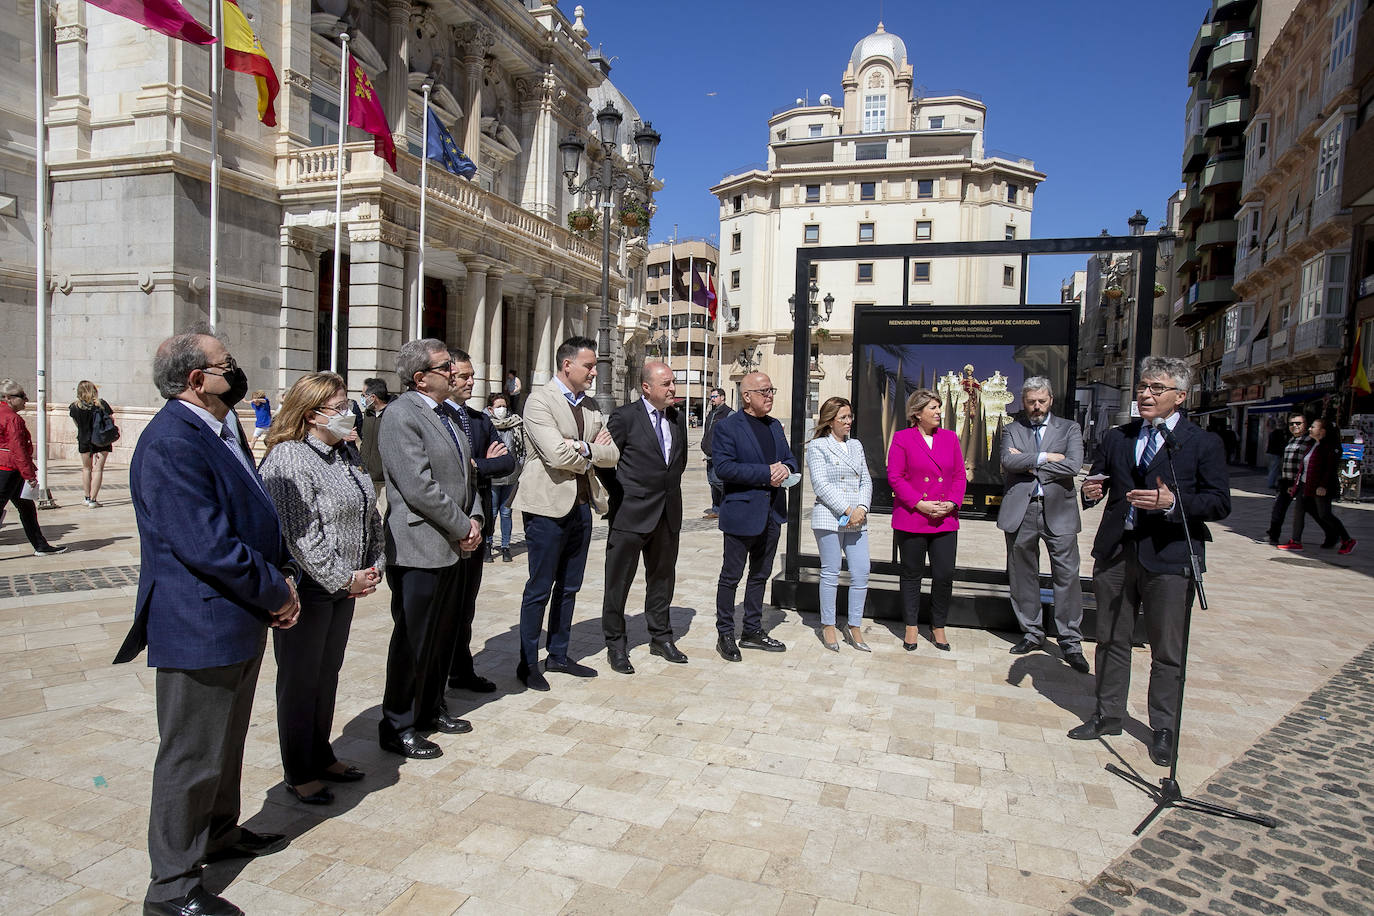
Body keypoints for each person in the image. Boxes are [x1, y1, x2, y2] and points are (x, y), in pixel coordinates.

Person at [113, 328, 300, 916]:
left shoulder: (221, 426)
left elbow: (250, 513)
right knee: (191, 756)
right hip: (201, 622)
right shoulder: (172, 441)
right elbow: (207, 544)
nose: (237, 372)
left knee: (227, 741)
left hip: (237, 617)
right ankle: (170, 888)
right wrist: (278, 590)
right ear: (196, 380)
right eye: (227, 365)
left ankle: (218, 834)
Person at [1068, 356, 1231, 768]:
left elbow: (1219, 502)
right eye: (1143, 386)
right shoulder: (1118, 437)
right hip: (1118, 553)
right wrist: (1091, 491)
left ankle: (1163, 729)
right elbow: (1101, 479)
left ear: (1180, 395)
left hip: (1170, 556)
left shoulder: (1200, 442)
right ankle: (1108, 714)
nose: (1145, 394)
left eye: (1157, 388)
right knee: (1110, 639)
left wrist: (1174, 502)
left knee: (1166, 649)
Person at [259, 372, 384, 806]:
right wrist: (341, 577)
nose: (349, 412)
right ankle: (299, 769)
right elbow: (300, 533)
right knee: (300, 679)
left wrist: (373, 564)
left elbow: (370, 511)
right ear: (312, 414)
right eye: (339, 405)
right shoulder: (290, 457)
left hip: (345, 586)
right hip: (309, 589)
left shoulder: (345, 452)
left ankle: (320, 752)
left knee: (325, 675)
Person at [376, 338, 483, 759]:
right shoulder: (402, 415)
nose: (454, 373)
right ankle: (398, 723)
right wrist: (462, 525)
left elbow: (466, 475)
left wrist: (472, 518)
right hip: (419, 544)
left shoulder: (447, 415)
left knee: (443, 633)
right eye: (445, 368)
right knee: (413, 639)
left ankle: (431, 707)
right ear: (420, 378)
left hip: (454, 544)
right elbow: (418, 487)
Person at [513, 336, 619, 690]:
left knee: (569, 586)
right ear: (567, 365)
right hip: (546, 507)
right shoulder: (539, 402)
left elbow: (612, 454)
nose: (594, 372)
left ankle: (558, 654)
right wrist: (589, 450)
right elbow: (556, 455)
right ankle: (528, 663)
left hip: (582, 506)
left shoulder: (590, 406)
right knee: (540, 587)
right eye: (589, 366)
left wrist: (581, 446)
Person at [598, 362, 689, 674]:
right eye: (666, 383)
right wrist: (621, 494)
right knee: (618, 581)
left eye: (673, 382)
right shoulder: (624, 418)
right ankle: (616, 643)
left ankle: (660, 637)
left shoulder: (677, 419)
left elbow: (677, 464)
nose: (672, 388)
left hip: (668, 513)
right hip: (630, 514)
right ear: (646, 387)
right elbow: (604, 462)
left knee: (662, 578)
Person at [997, 378, 1089, 673]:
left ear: (1051, 399)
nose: (1036, 407)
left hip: (1058, 510)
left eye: (1042, 401)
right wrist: (1046, 457)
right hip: (1021, 511)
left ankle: (1070, 641)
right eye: (1030, 402)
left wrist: (1028, 463)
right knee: (1023, 573)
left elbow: (1074, 465)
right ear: (1023, 401)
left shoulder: (1069, 428)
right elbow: (1006, 463)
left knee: (1066, 575)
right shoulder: (1012, 428)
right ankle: (1032, 633)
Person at [712, 371, 797, 661]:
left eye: (771, 389)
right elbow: (723, 468)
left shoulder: (774, 426)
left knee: (760, 575)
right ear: (746, 396)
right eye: (763, 391)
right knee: (731, 576)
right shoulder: (728, 427)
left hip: (771, 513)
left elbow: (789, 459)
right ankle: (725, 633)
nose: (770, 395)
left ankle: (751, 630)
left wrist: (785, 469)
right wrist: (766, 473)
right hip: (742, 513)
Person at [445, 350, 514, 694]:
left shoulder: (480, 420)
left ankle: (461, 668)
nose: (471, 381)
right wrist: (475, 463)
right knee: (442, 608)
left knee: (466, 605)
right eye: (463, 375)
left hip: (478, 521)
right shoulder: (437, 419)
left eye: (472, 375)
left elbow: (507, 462)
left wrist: (475, 466)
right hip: (443, 528)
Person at [888, 388, 965, 652]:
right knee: (911, 574)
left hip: (945, 518)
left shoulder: (951, 438)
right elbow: (895, 476)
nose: (938, 413)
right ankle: (911, 626)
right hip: (913, 516)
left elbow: (959, 475)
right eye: (933, 408)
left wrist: (952, 503)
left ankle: (938, 626)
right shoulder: (902, 438)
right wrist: (919, 503)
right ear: (917, 413)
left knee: (944, 574)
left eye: (939, 407)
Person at [806, 396, 872, 652]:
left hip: (858, 518)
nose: (848, 422)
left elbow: (866, 479)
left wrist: (862, 508)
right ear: (830, 420)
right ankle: (828, 625)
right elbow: (820, 484)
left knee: (860, 571)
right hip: (830, 516)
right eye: (843, 417)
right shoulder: (818, 447)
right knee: (831, 571)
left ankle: (854, 624)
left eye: (850, 416)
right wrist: (847, 509)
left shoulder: (856, 445)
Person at [0, 380, 65, 555]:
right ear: (8, 398)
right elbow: (18, 449)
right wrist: (29, 475)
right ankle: (40, 545)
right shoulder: (12, 418)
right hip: (9, 469)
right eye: (22, 396)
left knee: (27, 508)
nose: (26, 400)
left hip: (9, 468)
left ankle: (40, 545)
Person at [1288, 417, 1357, 555]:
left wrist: (1323, 486)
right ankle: (1295, 541)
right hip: (1305, 485)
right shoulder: (1312, 445)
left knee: (1324, 514)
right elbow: (1304, 468)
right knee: (1301, 512)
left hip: (1319, 487)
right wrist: (1295, 485)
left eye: (1313, 427)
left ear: (1322, 431)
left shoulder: (1329, 448)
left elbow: (1329, 469)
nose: (1309, 429)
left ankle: (1346, 539)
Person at [485, 391, 525, 563]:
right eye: (498, 406)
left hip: (511, 474)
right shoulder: (486, 424)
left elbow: (521, 447)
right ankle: (487, 544)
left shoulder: (515, 423)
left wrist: (520, 466)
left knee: (506, 512)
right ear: (490, 409)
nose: (502, 409)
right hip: (493, 476)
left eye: (504, 406)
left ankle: (506, 546)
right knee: (492, 512)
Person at [1269, 413, 1313, 547]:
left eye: (1298, 423)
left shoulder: (1310, 441)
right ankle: (1273, 536)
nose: (1294, 426)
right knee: (1278, 509)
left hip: (1301, 482)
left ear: (1305, 425)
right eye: (1291, 424)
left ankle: (1334, 535)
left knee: (1316, 511)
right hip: (1286, 480)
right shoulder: (1289, 440)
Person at [68, 380, 114, 507]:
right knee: (98, 469)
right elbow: (111, 420)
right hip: (101, 440)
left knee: (86, 468)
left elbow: (77, 424)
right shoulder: (102, 404)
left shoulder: (74, 407)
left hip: (84, 440)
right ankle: (94, 500)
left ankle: (87, 497)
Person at [357, 378, 393, 514]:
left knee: (385, 516)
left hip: (386, 480)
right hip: (367, 475)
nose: (362, 399)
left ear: (373, 397)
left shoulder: (393, 413)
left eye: (363, 395)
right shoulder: (368, 413)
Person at [701, 387, 731, 519]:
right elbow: (707, 433)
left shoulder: (729, 414)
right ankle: (716, 509)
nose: (712, 400)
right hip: (709, 454)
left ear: (722, 397)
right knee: (712, 482)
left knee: (719, 482)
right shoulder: (711, 413)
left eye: (714, 397)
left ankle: (729, 505)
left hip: (720, 455)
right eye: (711, 397)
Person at [1264, 417, 1288, 491]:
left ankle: (1270, 482)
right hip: (1275, 453)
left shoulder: (1272, 433)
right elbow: (1281, 444)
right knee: (1274, 469)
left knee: (1271, 469)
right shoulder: (1279, 433)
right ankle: (1271, 483)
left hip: (1270, 453)